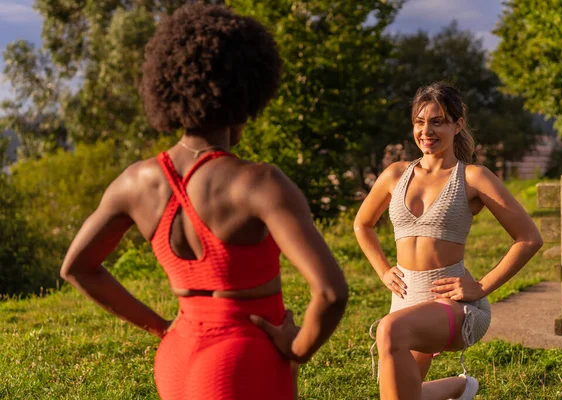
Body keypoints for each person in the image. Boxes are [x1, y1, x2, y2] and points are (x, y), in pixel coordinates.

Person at [60, 4, 348, 400]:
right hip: (242, 360)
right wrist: (296, 348)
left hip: (176, 357)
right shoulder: (260, 183)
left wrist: (161, 327)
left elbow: (77, 267)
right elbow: (331, 293)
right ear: (247, 91)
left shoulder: (134, 182)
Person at [353, 82, 543, 400]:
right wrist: (384, 270)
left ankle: (460, 384)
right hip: (405, 301)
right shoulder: (395, 175)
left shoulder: (472, 177)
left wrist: (481, 287)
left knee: (388, 329)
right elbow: (362, 224)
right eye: (420, 121)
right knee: (401, 395)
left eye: (437, 121)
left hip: (455, 306)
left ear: (458, 125)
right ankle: (461, 387)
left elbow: (529, 238)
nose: (426, 131)